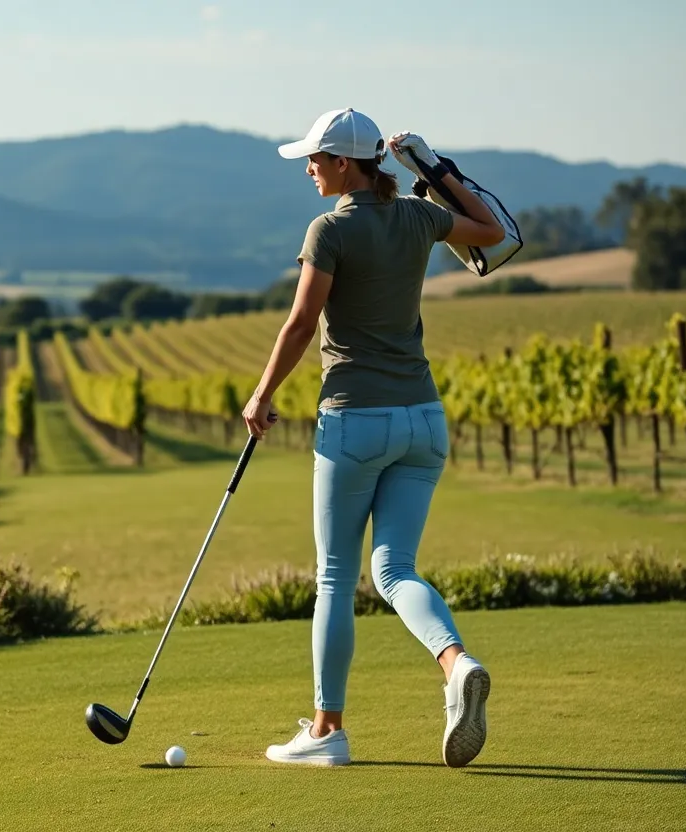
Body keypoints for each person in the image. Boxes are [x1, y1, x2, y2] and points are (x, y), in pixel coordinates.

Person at [241, 108, 506, 769]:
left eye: (316, 158)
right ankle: (456, 664)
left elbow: (301, 323)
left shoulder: (329, 229)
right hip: (423, 420)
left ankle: (327, 731)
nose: (309, 168)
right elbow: (491, 230)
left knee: (335, 576)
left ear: (343, 163)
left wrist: (262, 395)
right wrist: (435, 171)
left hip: (355, 420)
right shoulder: (418, 216)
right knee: (394, 571)